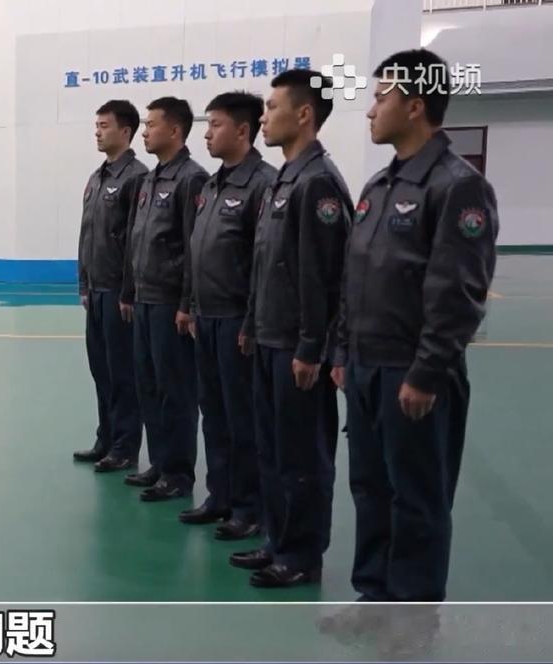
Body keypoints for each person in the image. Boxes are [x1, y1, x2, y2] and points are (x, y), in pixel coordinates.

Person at [333, 48, 498, 603]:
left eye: (380, 97)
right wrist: (343, 351)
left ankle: (411, 615)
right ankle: (374, 596)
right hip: (366, 367)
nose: (370, 110)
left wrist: (426, 373)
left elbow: (459, 292)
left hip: (412, 373)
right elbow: (355, 276)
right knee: (370, 488)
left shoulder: (456, 186)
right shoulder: (379, 186)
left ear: (415, 104)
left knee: (418, 498)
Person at [229, 70, 350, 588]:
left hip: (298, 348)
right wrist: (253, 324)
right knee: (273, 449)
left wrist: (312, 346)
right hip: (269, 337)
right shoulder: (285, 179)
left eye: (272, 107)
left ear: (304, 114)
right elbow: (267, 263)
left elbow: (326, 275)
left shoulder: (318, 181)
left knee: (303, 455)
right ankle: (278, 540)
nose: (264, 118)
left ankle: (302, 555)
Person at [180, 91, 276, 539]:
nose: (207, 134)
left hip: (238, 321)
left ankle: (249, 507)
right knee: (214, 413)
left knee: (243, 420)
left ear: (242, 130)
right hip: (207, 317)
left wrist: (251, 321)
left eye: (215, 125)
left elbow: (263, 261)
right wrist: (191, 306)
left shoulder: (262, 184)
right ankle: (219, 496)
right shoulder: (212, 186)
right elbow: (197, 250)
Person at [121, 97, 209, 501]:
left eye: (151, 124)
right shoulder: (151, 179)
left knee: (176, 390)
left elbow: (193, 247)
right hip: (144, 299)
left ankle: (178, 473)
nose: (144, 132)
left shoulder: (191, 179)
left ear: (174, 130)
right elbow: (136, 239)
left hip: (170, 303)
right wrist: (129, 292)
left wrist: (186, 304)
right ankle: (159, 463)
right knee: (149, 385)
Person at [74, 100, 148, 472]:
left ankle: (125, 446)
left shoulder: (137, 178)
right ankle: (106, 439)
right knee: (101, 371)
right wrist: (84, 283)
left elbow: (137, 241)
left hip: (120, 295)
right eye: (96, 125)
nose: (97, 132)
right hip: (96, 291)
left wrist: (128, 292)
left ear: (125, 131)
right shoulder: (96, 177)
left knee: (123, 374)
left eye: (104, 126)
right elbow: (87, 235)